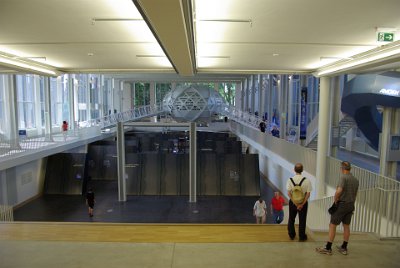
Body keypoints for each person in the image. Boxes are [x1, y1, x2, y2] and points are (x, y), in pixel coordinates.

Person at [316, 161, 359, 255]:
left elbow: (339, 190)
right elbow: (355, 195)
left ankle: (328, 248)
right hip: (351, 205)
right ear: (350, 168)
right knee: (346, 226)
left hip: (342, 204)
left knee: (332, 225)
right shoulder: (355, 180)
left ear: (342, 168)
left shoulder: (343, 177)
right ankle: (344, 247)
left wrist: (335, 199)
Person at [287, 163, 312, 241]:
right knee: (302, 220)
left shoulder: (290, 180)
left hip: (293, 202)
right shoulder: (307, 180)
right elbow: (308, 194)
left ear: (294, 170)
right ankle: (302, 236)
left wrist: (295, 203)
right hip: (303, 203)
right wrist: (302, 204)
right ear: (302, 170)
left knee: (291, 218)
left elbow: (289, 193)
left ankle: (292, 235)